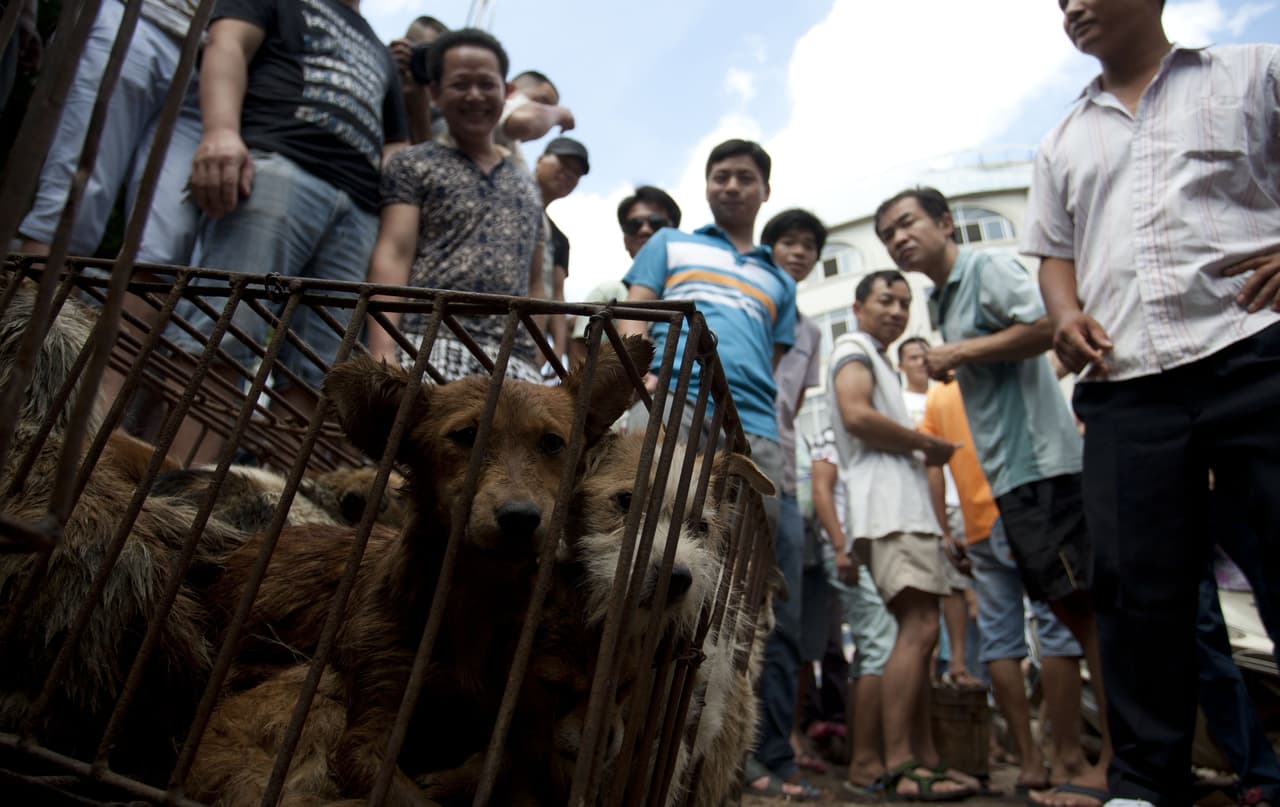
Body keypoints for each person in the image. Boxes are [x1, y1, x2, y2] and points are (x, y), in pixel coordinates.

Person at [1023, 0, 1280, 801]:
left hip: (1256, 355)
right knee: (1134, 591)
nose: (1070, 7)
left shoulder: (1255, 72)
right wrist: (1064, 315)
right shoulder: (1061, 141)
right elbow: (1055, 254)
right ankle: (1144, 781)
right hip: (1126, 386)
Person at [876, 186, 1113, 806]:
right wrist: (965, 357)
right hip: (1011, 479)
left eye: (906, 224)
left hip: (1045, 467)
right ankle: (1069, 760)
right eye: (887, 235)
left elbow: (1050, 325)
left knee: (1085, 616)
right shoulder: (943, 298)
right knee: (1064, 617)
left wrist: (962, 351)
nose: (898, 239)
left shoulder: (986, 266)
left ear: (945, 223)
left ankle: (1115, 763)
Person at [615, 139, 802, 798]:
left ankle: (719, 746)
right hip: (673, 399)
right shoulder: (668, 242)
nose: (730, 185)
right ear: (707, 184)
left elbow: (774, 361)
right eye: (719, 175)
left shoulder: (780, 278)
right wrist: (643, 380)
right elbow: (637, 313)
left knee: (746, 583)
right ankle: (624, 728)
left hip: (754, 427)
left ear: (763, 190)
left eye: (743, 176)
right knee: (648, 551)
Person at [170, 0, 409, 464]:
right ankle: (178, 490)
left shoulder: (377, 48)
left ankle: (275, 501)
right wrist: (220, 130)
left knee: (319, 367)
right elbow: (227, 44)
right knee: (225, 324)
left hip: (360, 206)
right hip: (279, 163)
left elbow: (396, 145)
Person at [828, 269, 974, 800]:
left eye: (904, 303)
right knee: (917, 627)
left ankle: (921, 757)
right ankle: (900, 763)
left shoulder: (877, 356)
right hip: (890, 511)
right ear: (858, 305)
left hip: (902, 512)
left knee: (920, 633)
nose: (895, 310)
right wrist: (926, 445)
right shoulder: (852, 345)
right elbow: (855, 413)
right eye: (885, 300)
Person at [921, 378, 1086, 796]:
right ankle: (1068, 758)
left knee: (1000, 639)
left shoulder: (939, 395)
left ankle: (1031, 762)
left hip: (977, 525)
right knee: (1057, 625)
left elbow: (933, 463)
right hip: (1029, 505)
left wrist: (943, 528)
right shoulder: (1009, 369)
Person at [366, 28, 543, 384]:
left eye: (486, 84)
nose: (475, 95)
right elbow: (393, 253)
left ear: (506, 92)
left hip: (515, 362)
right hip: (426, 343)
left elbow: (536, 283)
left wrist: (535, 360)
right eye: (461, 84)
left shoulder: (527, 185)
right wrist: (383, 350)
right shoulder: (413, 163)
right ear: (435, 93)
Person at [761, 208, 827, 785]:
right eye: (788, 241)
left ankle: (773, 754)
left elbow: (794, 406)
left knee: (783, 616)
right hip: (726, 457)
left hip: (780, 472)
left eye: (809, 245)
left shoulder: (811, 331)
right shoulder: (747, 302)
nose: (799, 252)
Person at [810, 426, 897, 796]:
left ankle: (864, 754)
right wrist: (842, 547)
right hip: (848, 552)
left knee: (871, 648)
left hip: (865, 550)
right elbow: (821, 489)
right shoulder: (834, 432)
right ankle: (864, 762)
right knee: (879, 643)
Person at [899, 335, 977, 689]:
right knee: (924, 590)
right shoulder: (897, 403)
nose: (919, 361)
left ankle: (959, 664)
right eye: (911, 356)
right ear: (900, 364)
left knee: (959, 586)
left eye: (924, 355)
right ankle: (926, 672)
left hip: (957, 501)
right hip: (913, 506)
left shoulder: (951, 396)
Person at [567, 185, 681, 368]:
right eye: (633, 225)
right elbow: (580, 359)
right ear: (625, 240)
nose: (645, 230)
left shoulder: (690, 291)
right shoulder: (610, 292)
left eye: (656, 223)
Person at [533, 136, 589, 362]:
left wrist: (557, 346)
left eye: (576, 173)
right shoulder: (500, 199)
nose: (568, 174)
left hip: (527, 338)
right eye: (562, 163)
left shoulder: (559, 239)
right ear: (540, 160)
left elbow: (557, 294)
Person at [388, 15, 448, 144]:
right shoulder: (380, 82)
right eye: (412, 47)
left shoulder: (445, 121)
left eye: (426, 55)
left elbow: (430, 162)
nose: (415, 58)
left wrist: (419, 113)